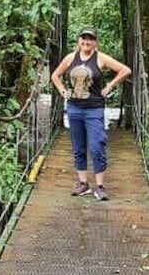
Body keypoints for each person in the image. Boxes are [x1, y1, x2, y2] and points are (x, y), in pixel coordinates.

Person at [51, 26, 131, 201]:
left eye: (90, 39)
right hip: (74, 109)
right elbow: (55, 76)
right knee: (78, 146)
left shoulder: (100, 58)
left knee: (97, 146)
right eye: (83, 38)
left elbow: (125, 70)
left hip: (94, 109)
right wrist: (63, 90)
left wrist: (110, 86)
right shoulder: (70, 58)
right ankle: (83, 183)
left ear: (95, 42)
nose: (86, 42)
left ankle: (100, 186)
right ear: (78, 40)